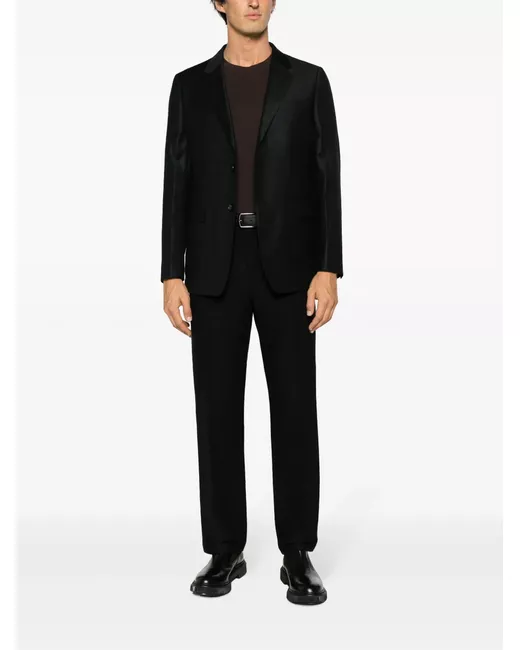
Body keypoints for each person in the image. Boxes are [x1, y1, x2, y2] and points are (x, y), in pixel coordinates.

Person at [161, 0, 343, 605]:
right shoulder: (189, 87)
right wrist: (171, 272)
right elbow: (177, 179)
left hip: (289, 268)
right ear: (219, 3)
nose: (254, 0)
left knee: (295, 408)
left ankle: (297, 552)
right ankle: (225, 549)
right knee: (216, 410)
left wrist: (328, 267)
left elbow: (327, 175)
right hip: (214, 267)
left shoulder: (308, 82)